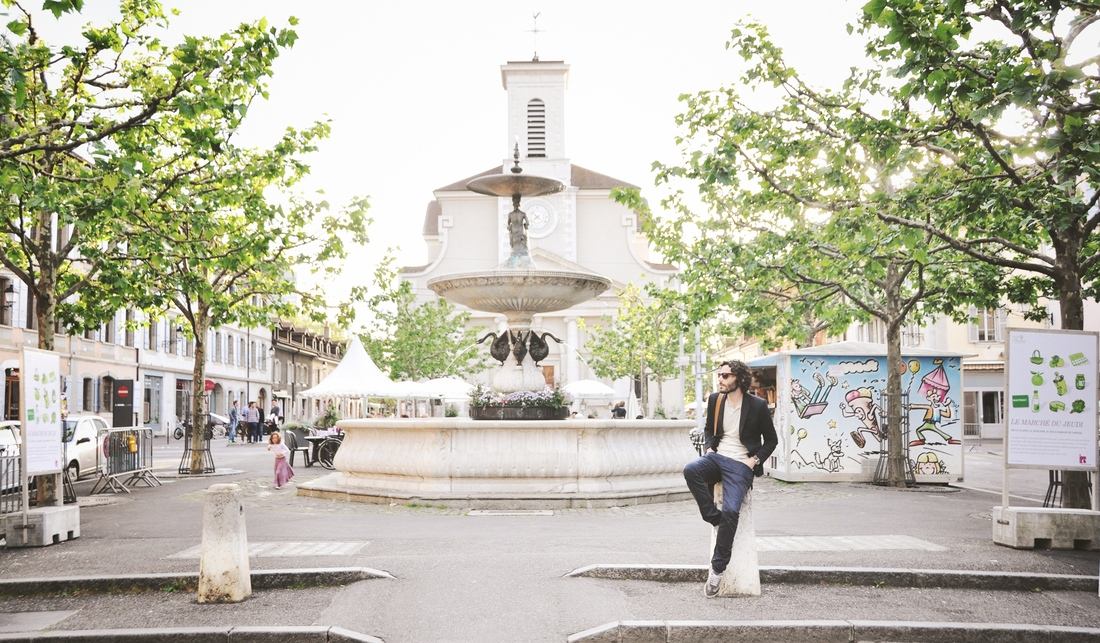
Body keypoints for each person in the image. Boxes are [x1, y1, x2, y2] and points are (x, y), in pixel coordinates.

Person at [683, 359, 778, 598]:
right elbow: (708, 429)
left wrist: (754, 461)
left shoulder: (757, 405)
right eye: (720, 376)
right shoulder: (715, 400)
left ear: (739, 378)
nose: (720, 379)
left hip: (741, 465)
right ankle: (713, 517)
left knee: (732, 511)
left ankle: (717, 570)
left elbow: (772, 440)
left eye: (725, 376)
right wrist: (709, 448)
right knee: (691, 470)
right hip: (717, 457)